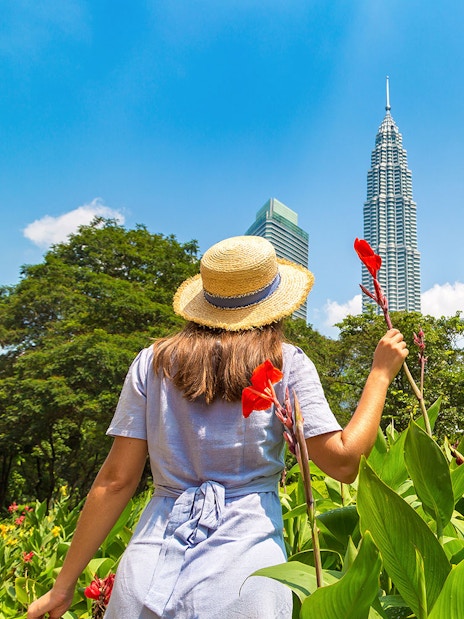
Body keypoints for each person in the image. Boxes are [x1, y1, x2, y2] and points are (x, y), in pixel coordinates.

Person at [27, 235, 408, 619]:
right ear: (275, 304)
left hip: (147, 571)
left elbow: (115, 481)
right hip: (244, 576)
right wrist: (379, 374)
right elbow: (343, 463)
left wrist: (64, 587)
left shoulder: (151, 363)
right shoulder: (285, 363)